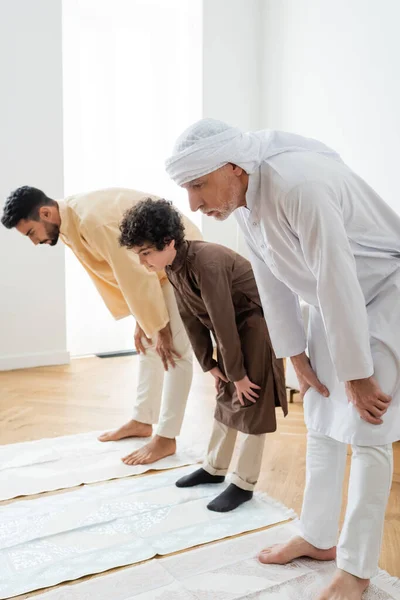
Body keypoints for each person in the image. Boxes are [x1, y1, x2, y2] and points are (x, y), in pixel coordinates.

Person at [164, 118, 399, 600]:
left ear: (232, 167)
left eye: (198, 186)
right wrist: (295, 353)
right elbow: (272, 281)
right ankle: (317, 537)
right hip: (334, 302)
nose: (194, 204)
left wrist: (356, 373)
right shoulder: (245, 200)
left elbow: (337, 275)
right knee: (319, 416)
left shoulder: (299, 186)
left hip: (383, 294)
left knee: (368, 427)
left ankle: (357, 567)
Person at [1, 186, 202, 465]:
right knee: (147, 342)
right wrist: (142, 321)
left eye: (32, 233)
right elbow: (118, 273)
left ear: (45, 213)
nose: (35, 242)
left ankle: (166, 438)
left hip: (179, 260)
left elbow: (134, 273)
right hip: (151, 267)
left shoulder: (92, 221)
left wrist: (161, 327)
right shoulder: (68, 221)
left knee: (175, 350)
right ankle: (143, 420)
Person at [118, 197, 287, 512]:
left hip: (258, 326)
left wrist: (237, 374)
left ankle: (243, 483)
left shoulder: (206, 261)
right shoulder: (174, 265)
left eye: (145, 253)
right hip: (234, 333)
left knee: (252, 403)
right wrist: (210, 365)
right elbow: (191, 319)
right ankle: (214, 468)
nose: (143, 263)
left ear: (168, 242)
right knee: (226, 400)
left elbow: (222, 318)